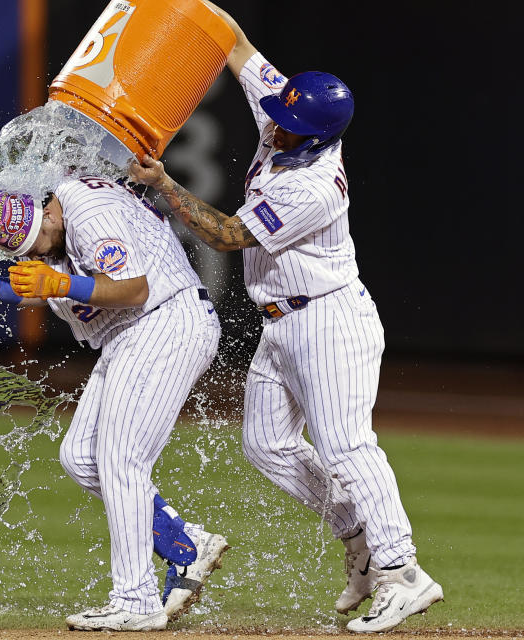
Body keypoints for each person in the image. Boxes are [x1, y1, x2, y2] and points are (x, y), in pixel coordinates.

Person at [127, 1, 443, 633]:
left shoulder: (315, 184)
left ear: (321, 134)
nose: (278, 124)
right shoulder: (292, 112)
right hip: (282, 323)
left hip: (328, 319)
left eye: (291, 122)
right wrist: (197, 8)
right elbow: (238, 47)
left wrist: (164, 185)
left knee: (348, 445)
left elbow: (225, 235)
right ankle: (358, 540)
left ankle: (404, 572)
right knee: (266, 444)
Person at [0, 176, 228, 631]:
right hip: (130, 336)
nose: (36, 254)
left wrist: (57, 282)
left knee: (121, 460)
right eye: (27, 254)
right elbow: (54, 284)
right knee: (81, 458)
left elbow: (133, 289)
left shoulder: (86, 208)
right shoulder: (53, 238)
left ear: (45, 215)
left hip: (165, 320)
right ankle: (187, 544)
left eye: (37, 243)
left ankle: (134, 601)